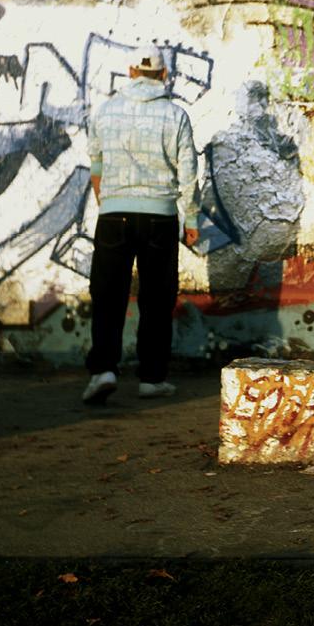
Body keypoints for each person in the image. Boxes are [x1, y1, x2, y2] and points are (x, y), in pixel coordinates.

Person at [82, 45, 200, 405]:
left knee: (107, 295)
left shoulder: (105, 111)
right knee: (156, 298)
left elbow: (97, 170)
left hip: (113, 215)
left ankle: (103, 369)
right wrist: (191, 218)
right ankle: (151, 377)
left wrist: (111, 204)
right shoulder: (176, 115)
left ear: (131, 72)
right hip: (160, 217)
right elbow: (189, 174)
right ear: (163, 76)